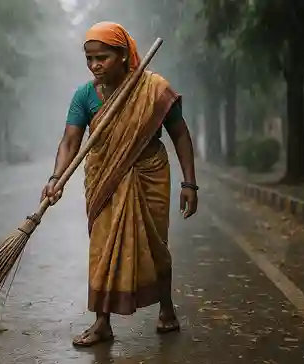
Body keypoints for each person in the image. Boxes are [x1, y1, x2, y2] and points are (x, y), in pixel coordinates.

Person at [40, 21, 198, 347]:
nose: (95, 65)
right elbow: (70, 141)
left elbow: (179, 134)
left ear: (124, 56)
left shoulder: (153, 89)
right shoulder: (84, 95)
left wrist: (189, 183)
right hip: (104, 178)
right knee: (103, 247)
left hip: (148, 173)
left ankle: (166, 309)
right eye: (89, 59)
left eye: (103, 58)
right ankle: (102, 323)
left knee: (155, 243)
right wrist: (56, 178)